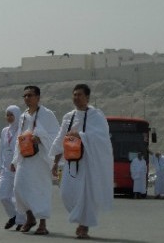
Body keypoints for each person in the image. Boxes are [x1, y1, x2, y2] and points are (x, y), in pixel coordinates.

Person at [50, 84, 113, 239]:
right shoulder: (68, 117)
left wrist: (81, 135)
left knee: (86, 194)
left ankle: (84, 225)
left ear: (87, 98)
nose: (76, 98)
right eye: (74, 95)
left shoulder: (96, 116)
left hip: (88, 162)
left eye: (79, 95)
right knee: (66, 193)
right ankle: (80, 219)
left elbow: (102, 138)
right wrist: (55, 162)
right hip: (71, 162)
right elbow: (60, 140)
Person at [10, 86, 60, 235]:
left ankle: (42, 224)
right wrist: (14, 161)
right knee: (19, 188)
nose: (27, 98)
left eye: (30, 95)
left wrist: (41, 137)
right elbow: (19, 138)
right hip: (25, 157)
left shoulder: (47, 114)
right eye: (24, 96)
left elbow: (56, 136)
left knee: (40, 190)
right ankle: (30, 217)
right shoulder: (23, 116)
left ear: (38, 97)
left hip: (41, 158)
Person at [0, 105, 26, 231]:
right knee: (1, 194)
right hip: (5, 168)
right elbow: (1, 149)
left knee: (17, 195)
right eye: (7, 115)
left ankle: (21, 221)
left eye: (11, 115)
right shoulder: (4, 131)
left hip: (18, 166)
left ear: (17, 115)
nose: (9, 117)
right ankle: (13, 216)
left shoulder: (22, 130)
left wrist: (16, 162)